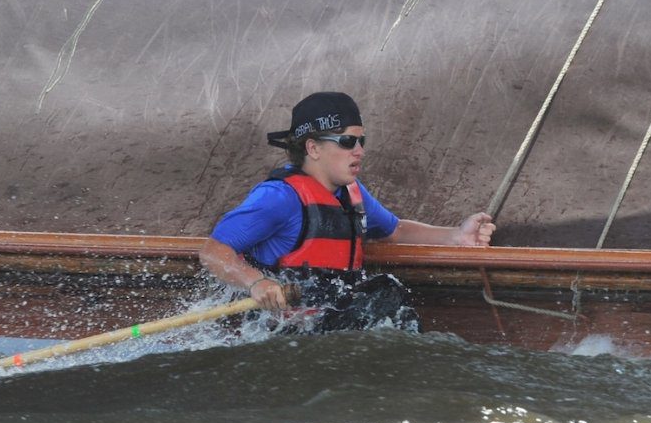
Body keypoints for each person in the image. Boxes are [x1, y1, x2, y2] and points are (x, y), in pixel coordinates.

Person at [198, 91, 495, 332]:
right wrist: (256, 282)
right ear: (313, 148)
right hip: (287, 333)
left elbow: (395, 230)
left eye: (361, 141)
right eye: (347, 141)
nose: (359, 151)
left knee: (382, 293)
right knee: (383, 294)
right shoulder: (278, 197)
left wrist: (456, 236)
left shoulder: (351, 192)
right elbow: (213, 251)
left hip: (331, 321)